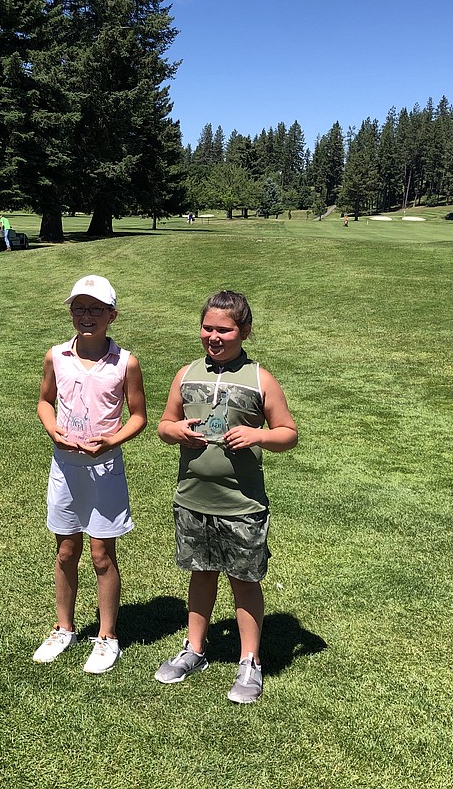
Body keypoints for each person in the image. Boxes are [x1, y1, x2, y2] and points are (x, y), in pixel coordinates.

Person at [154, 290, 297, 703]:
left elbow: (289, 433)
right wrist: (175, 430)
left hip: (241, 504)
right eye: (207, 328)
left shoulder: (259, 378)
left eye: (224, 330)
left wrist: (259, 435)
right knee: (200, 573)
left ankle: (249, 661)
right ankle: (194, 649)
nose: (213, 337)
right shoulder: (187, 374)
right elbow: (165, 424)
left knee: (244, 580)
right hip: (193, 498)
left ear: (244, 331)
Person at [34, 275, 147, 674]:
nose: (87, 316)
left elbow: (139, 417)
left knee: (102, 554)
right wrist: (53, 430)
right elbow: (46, 401)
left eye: (96, 309)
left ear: (112, 315)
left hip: (104, 469)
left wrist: (112, 441)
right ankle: (64, 628)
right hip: (64, 468)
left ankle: (107, 636)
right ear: (70, 312)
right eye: (79, 308)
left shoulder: (125, 361)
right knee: (66, 550)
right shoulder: (56, 356)